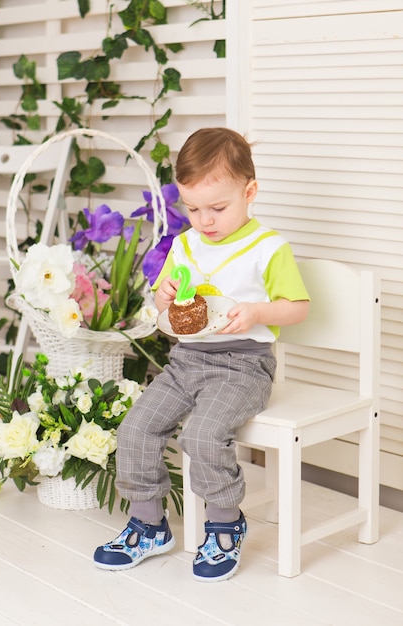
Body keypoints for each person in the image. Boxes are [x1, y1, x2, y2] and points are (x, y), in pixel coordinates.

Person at [93, 127, 310, 582]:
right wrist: (165, 294)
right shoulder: (185, 244)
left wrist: (256, 311)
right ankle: (149, 524)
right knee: (136, 427)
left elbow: (298, 308)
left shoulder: (269, 247)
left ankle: (225, 526)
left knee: (203, 436)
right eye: (192, 208)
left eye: (217, 207)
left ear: (249, 192)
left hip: (243, 366)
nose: (205, 220)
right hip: (186, 361)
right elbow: (161, 304)